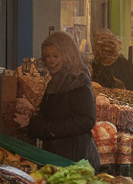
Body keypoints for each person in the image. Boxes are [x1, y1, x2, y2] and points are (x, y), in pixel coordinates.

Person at [28, 30, 99, 169]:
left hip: (75, 161)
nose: (50, 60)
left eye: (55, 55)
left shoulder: (78, 81)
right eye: (47, 56)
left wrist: (47, 129)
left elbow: (86, 120)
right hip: (58, 159)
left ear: (67, 55)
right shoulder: (55, 82)